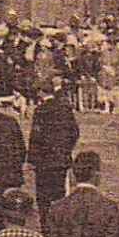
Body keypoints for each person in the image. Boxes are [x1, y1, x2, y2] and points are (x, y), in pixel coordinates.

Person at [27, 83, 78, 215]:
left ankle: (46, 228)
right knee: (60, 197)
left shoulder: (40, 110)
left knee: (44, 199)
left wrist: (32, 159)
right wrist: (66, 149)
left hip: (44, 162)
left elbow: (36, 137)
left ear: (41, 92)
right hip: (61, 160)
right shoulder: (65, 109)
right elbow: (74, 133)